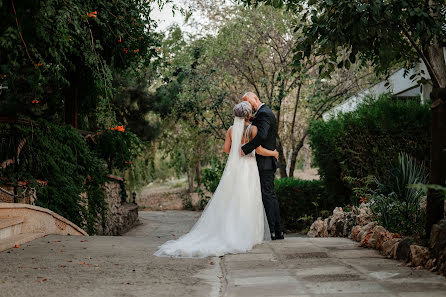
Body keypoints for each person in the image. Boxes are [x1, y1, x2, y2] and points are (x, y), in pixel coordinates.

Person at [154, 101, 278, 258]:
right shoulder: (253, 129)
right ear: (249, 114)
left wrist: (236, 147)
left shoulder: (231, 130)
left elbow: (227, 149)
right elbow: (259, 150)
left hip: (235, 168)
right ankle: (248, 234)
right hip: (249, 167)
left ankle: (230, 231)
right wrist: (273, 153)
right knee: (247, 198)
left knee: (232, 198)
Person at [241, 92, 284, 240]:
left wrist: (245, 148)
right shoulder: (263, 113)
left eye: (248, 102)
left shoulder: (264, 113)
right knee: (270, 195)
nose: (248, 106)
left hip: (265, 162)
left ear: (256, 99)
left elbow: (262, 135)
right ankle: (278, 231)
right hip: (265, 161)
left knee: (267, 196)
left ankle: (272, 230)